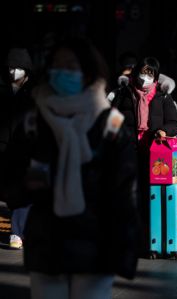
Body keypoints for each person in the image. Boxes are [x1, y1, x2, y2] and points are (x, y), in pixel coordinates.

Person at [1, 37, 140, 299]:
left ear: (89, 72)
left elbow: (126, 193)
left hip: (95, 247)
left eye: (71, 66)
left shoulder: (110, 125)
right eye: (57, 65)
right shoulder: (33, 123)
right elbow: (10, 176)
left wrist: (126, 252)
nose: (63, 72)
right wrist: (25, 188)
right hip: (47, 247)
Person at [107, 56, 177, 254]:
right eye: (143, 72)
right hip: (128, 151)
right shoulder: (124, 93)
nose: (145, 77)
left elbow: (175, 123)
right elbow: (112, 121)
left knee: (152, 197)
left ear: (156, 76)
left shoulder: (163, 96)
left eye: (150, 73)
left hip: (155, 155)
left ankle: (151, 241)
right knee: (130, 196)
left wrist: (164, 131)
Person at [0, 47, 35, 249]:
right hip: (4, 149)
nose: (13, 72)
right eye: (11, 67)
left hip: (26, 149)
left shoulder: (35, 94)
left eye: (18, 68)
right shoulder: (3, 91)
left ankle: (17, 232)